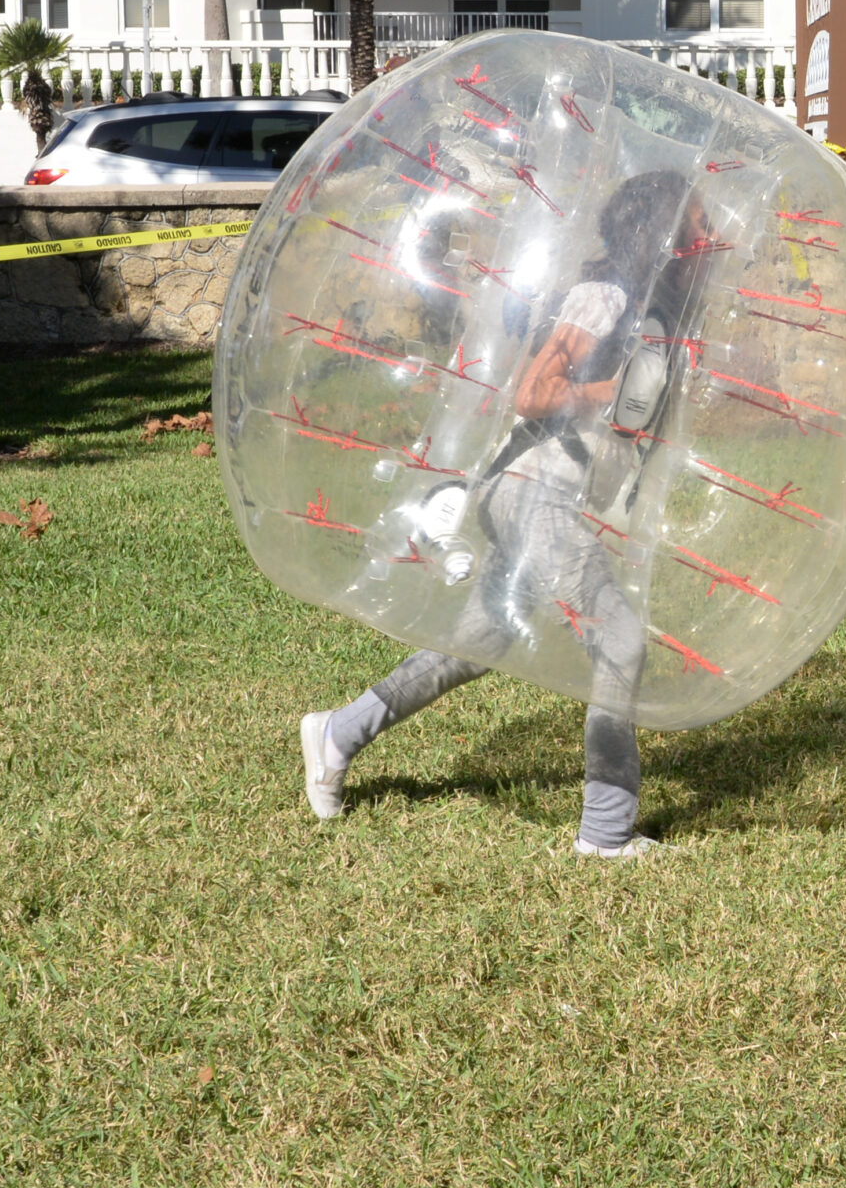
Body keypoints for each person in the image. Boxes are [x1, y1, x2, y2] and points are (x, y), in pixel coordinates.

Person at [298, 170, 715, 858]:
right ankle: (606, 831)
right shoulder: (605, 296)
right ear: (663, 234)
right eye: (698, 223)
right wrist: (610, 391)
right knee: (619, 638)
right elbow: (533, 393)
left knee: (477, 642)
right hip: (532, 491)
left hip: (535, 493)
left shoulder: (653, 310)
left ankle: (339, 732)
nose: (710, 236)